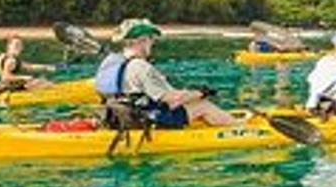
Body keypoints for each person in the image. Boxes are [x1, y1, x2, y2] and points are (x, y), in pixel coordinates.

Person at [93, 20, 235, 128]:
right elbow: (173, 100)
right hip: (144, 119)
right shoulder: (141, 67)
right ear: (142, 41)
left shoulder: (110, 61)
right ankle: (240, 130)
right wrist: (202, 93)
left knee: (190, 101)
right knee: (202, 105)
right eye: (151, 40)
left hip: (115, 116)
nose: (152, 44)